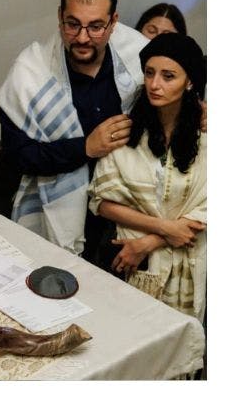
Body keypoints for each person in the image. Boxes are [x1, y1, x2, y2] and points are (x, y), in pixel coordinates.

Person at [0, 0, 149, 264]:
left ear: (114, 22)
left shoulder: (138, 57)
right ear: (59, 17)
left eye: (96, 27)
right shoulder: (30, 72)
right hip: (54, 212)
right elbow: (17, 155)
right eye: (73, 24)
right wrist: (85, 148)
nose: (82, 37)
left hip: (125, 214)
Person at [88, 32, 206, 321]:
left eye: (168, 76)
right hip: (130, 261)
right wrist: (165, 229)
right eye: (150, 73)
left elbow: (210, 208)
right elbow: (101, 201)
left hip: (187, 259)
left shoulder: (207, 138)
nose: (155, 84)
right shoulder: (127, 132)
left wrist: (148, 242)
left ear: (189, 81)